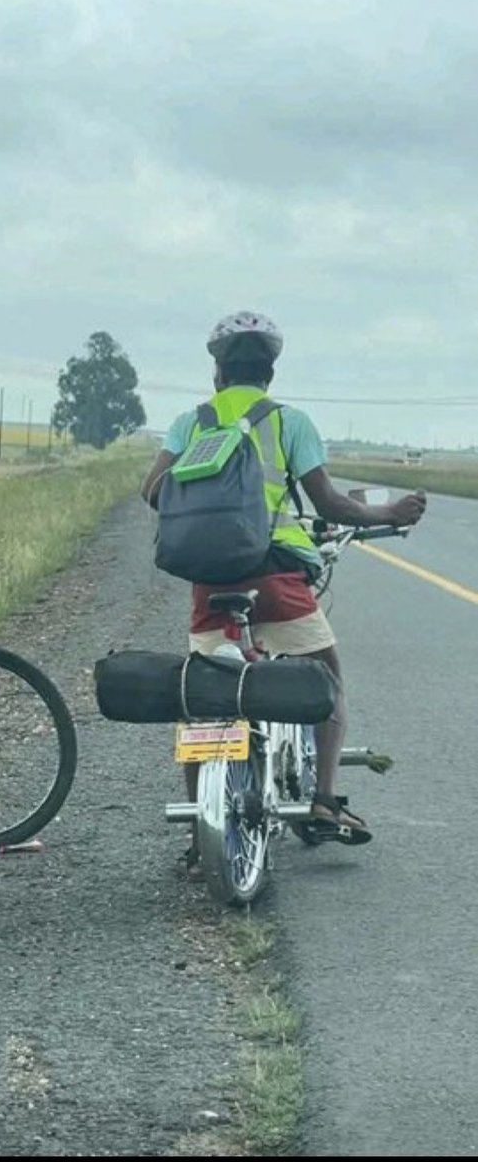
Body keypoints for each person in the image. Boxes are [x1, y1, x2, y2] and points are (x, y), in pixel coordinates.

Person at [140, 310, 426, 874]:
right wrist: (389, 511)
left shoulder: (190, 422)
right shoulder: (288, 422)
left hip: (209, 583)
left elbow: (152, 491)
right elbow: (332, 507)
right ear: (269, 371)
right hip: (275, 575)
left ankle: (202, 833)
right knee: (326, 677)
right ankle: (323, 800)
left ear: (218, 371)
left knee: (204, 697)